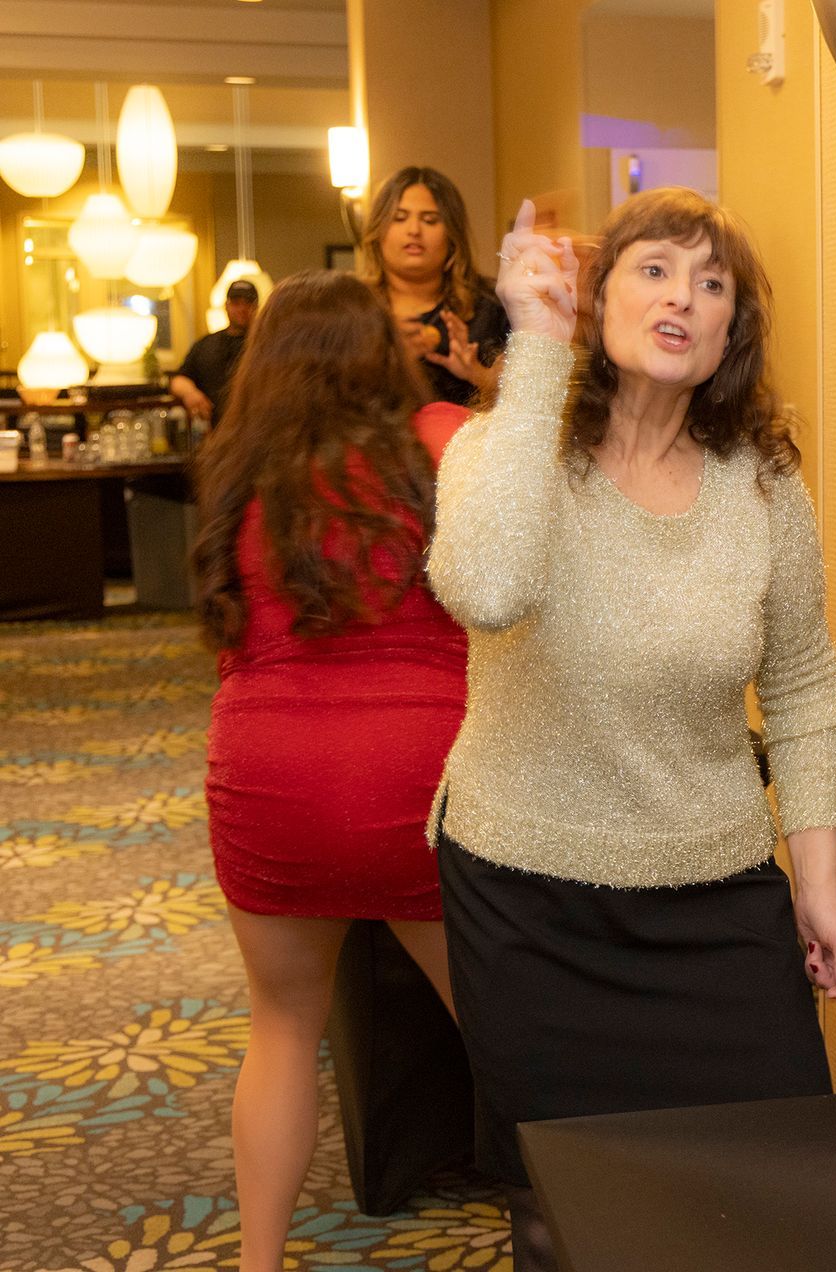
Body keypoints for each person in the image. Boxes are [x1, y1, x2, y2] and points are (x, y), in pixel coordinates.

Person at [428, 189, 836, 1267]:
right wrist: (536, 348)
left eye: (712, 282)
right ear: (597, 296)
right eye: (656, 269)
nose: (684, 296)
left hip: (716, 903)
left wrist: (818, 884)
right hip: (528, 899)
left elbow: (805, 686)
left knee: (769, 1191)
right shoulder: (500, 449)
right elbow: (485, 587)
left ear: (731, 332)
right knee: (565, 1212)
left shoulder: (764, 489)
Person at [190, 270, 470, 1271]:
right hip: (414, 785)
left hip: (266, 779)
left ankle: (256, 1264)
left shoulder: (236, 467)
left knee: (279, 1029)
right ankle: (561, 1235)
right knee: (504, 1037)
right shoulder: (435, 442)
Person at [358, 165, 508, 406]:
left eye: (429, 220)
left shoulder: (492, 306)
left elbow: (529, 407)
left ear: (452, 235)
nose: (414, 230)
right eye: (399, 218)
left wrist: (479, 375)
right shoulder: (352, 308)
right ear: (378, 231)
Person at [168, 279, 258, 424]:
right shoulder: (206, 344)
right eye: (236, 303)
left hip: (255, 429)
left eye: (247, 303)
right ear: (226, 306)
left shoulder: (266, 344)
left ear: (256, 307)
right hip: (213, 429)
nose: (242, 308)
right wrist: (191, 394)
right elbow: (178, 379)